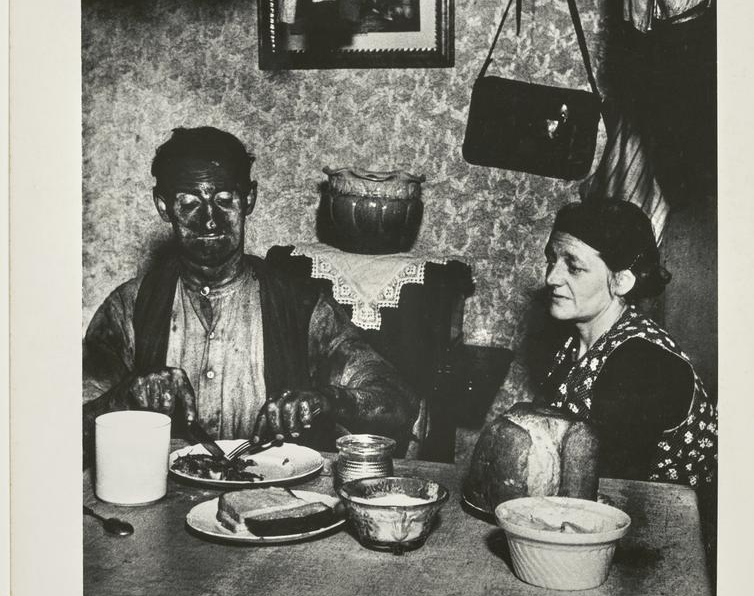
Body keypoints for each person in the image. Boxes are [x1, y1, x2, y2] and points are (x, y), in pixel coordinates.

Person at [82, 127, 420, 457]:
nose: (210, 219)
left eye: (225, 200)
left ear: (249, 199)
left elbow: (399, 403)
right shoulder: (130, 307)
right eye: (189, 203)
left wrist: (328, 400)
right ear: (163, 206)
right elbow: (63, 425)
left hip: (272, 500)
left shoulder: (300, 306)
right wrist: (126, 398)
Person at [476, 198, 717, 490]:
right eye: (552, 259)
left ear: (621, 281)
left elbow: (615, 491)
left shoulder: (641, 363)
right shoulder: (576, 343)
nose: (552, 277)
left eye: (574, 267)